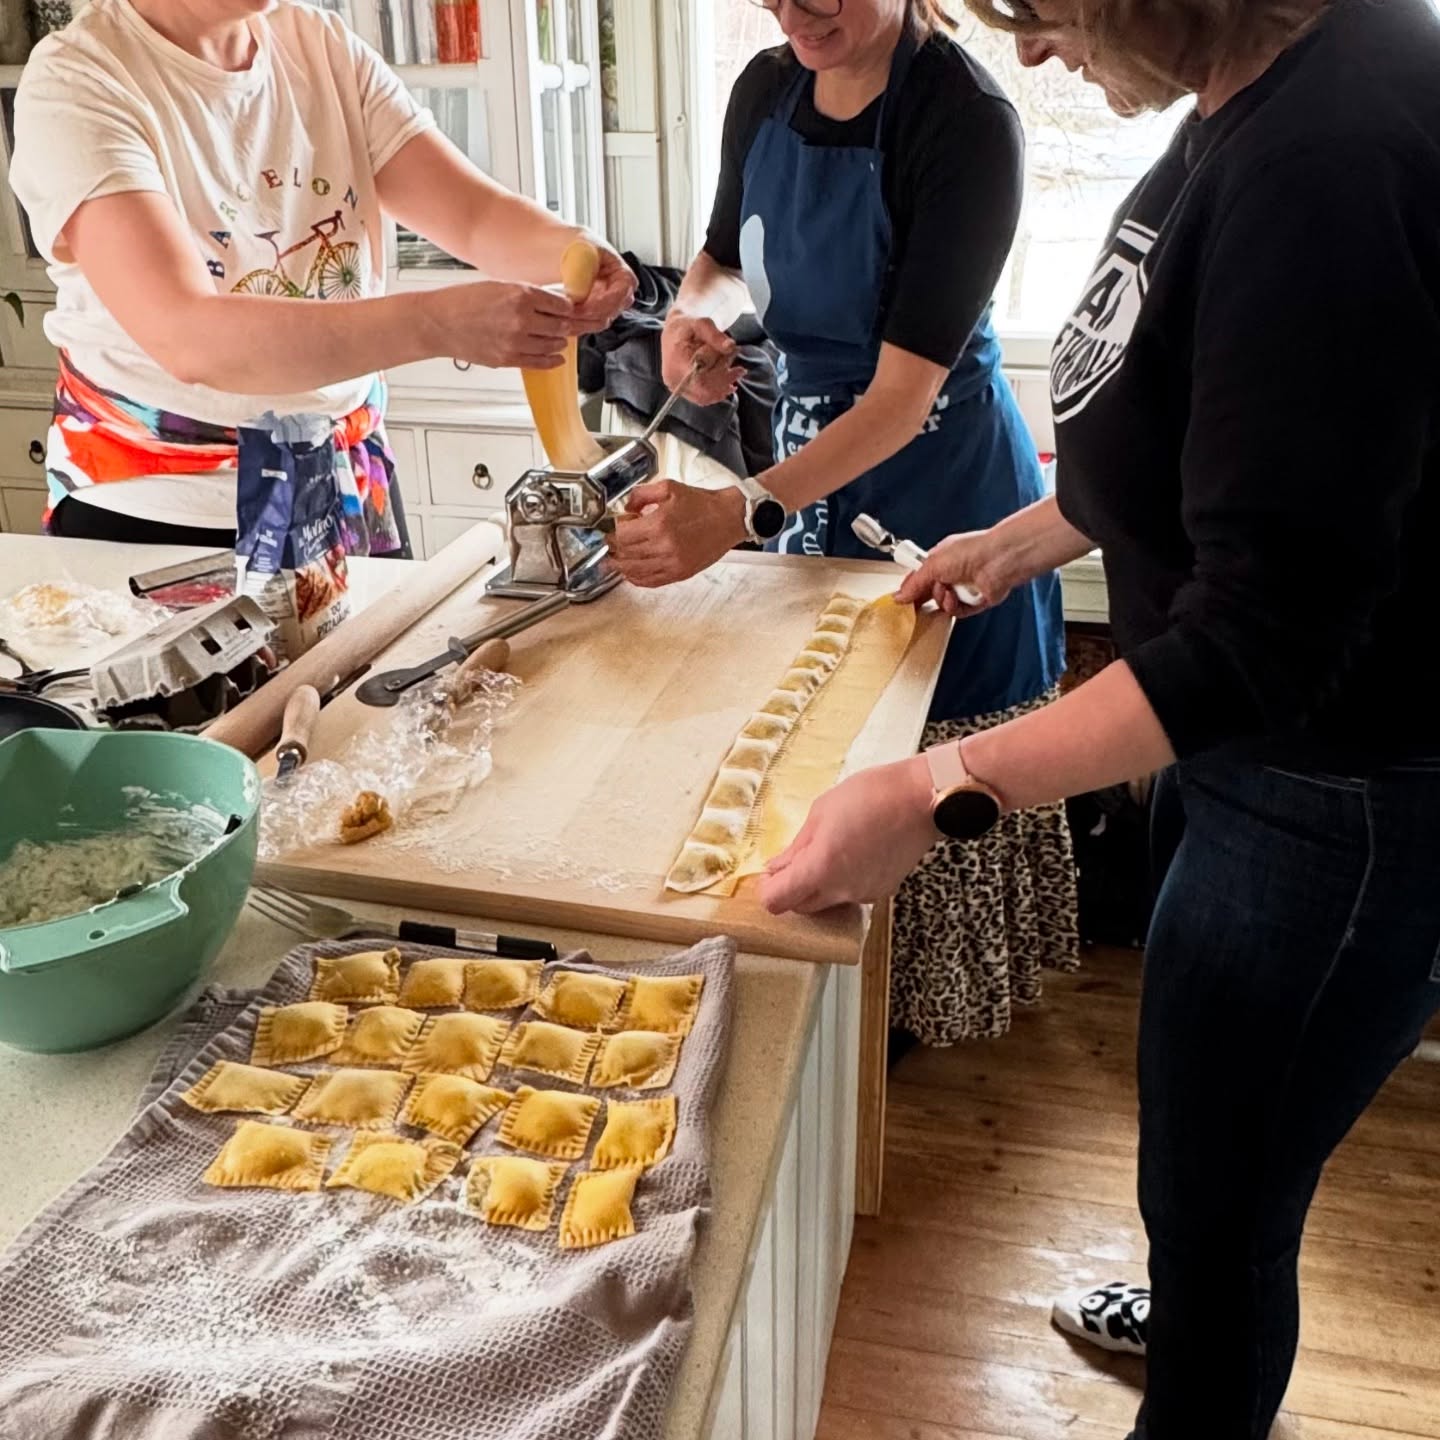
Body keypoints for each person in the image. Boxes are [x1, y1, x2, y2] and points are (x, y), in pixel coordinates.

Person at [760, 0, 1440, 1435]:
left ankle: (1208, 1350)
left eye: (1049, 9)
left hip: (1343, 793)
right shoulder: (1256, 92)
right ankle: (1203, 1303)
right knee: (1202, 1141)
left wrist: (938, 788)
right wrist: (1013, 544)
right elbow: (1206, 427)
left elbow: (1264, 640)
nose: (1033, 48)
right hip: (1245, 762)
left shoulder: (1333, 153)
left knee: (1226, 1187)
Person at [608, 0, 1076, 1047]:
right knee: (818, 733)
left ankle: (898, 1023)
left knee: (919, 752)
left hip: (942, 485)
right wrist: (701, 316)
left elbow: (904, 400)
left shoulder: (964, 121)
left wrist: (740, 509)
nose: (792, 9)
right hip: (809, 472)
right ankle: (822, 1017)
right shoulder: (766, 90)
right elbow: (724, 255)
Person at [9, 0, 634, 554]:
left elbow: (472, 216)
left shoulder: (319, 45)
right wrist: (439, 322)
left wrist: (575, 249)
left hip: (342, 487)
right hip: (159, 509)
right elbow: (189, 337)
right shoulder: (79, 80)